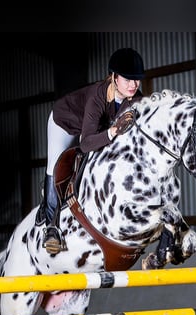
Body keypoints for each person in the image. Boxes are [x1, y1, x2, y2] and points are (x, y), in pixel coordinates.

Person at [36, 48, 146, 254]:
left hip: (93, 128)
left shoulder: (137, 99)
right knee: (56, 165)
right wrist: (112, 132)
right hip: (64, 122)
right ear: (114, 77)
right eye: (128, 79)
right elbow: (86, 143)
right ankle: (51, 226)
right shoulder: (97, 96)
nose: (133, 85)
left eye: (137, 80)